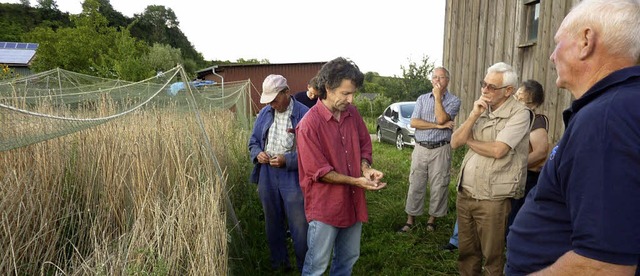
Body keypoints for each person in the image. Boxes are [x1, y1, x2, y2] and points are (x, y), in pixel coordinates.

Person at [506, 0, 640, 274]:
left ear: (586, 41)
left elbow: (602, 266)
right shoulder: (619, 106)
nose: (552, 56)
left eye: (558, 43)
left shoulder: (606, 118)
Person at [296, 57, 386, 275]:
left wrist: (365, 168)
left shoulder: (352, 113)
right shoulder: (309, 125)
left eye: (353, 93)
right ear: (328, 88)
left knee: (347, 259)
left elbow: (365, 144)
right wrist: (357, 181)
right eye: (346, 93)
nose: (351, 99)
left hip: (352, 202)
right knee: (316, 265)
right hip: (325, 207)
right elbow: (320, 172)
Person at [451, 62, 531, 276]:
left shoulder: (520, 113)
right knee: (467, 253)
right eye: (483, 84)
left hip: (492, 198)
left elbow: (498, 150)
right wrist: (473, 116)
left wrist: (470, 141)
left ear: (508, 91)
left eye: (491, 87)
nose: (485, 90)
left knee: (492, 257)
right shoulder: (481, 109)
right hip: (465, 193)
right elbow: (454, 142)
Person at [248, 74, 309, 272]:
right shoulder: (265, 113)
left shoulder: (305, 114)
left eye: (275, 99)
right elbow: (253, 142)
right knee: (272, 221)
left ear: (287, 92)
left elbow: (312, 153)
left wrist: (288, 160)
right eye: (268, 101)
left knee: (299, 225)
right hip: (267, 174)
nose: (272, 104)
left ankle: (304, 267)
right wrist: (258, 155)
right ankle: (280, 263)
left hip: (293, 175)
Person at [398, 67, 461, 233]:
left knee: (439, 185)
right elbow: (414, 123)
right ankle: (410, 220)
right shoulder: (421, 99)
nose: (437, 81)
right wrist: (437, 126)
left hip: (441, 148)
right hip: (420, 147)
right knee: (415, 183)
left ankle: (432, 220)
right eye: (435, 77)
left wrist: (438, 98)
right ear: (431, 80)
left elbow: (442, 117)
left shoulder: (454, 101)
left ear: (447, 80)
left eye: (441, 77)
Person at [506, 79, 548, 232]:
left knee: (515, 215)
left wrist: (516, 166)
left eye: (521, 99)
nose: (516, 101)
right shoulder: (515, 117)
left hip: (527, 178)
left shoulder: (536, 121)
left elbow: (542, 151)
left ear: (534, 104)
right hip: (514, 176)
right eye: (516, 96)